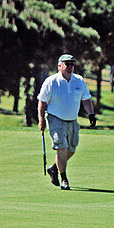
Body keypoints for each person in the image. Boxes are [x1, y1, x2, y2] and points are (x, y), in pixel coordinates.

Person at [38, 53, 96, 190]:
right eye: (67, 64)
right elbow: (42, 101)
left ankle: (54, 168)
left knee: (71, 149)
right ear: (59, 66)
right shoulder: (51, 81)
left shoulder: (79, 80)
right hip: (55, 118)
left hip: (72, 120)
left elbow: (86, 99)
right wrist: (41, 120)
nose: (70, 67)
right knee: (61, 148)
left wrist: (91, 114)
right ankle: (64, 179)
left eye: (72, 64)